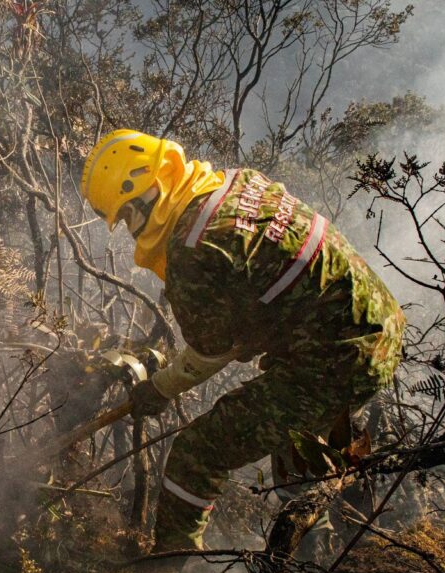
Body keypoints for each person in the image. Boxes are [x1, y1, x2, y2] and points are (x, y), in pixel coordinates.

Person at [80, 129, 405, 551]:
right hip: (378, 326)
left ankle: (167, 572)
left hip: (334, 359)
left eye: (126, 216)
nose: (129, 229)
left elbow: (211, 351)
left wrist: (159, 389)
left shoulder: (192, 248)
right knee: (296, 457)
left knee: (197, 453)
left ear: (147, 193)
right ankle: (319, 565)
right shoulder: (237, 181)